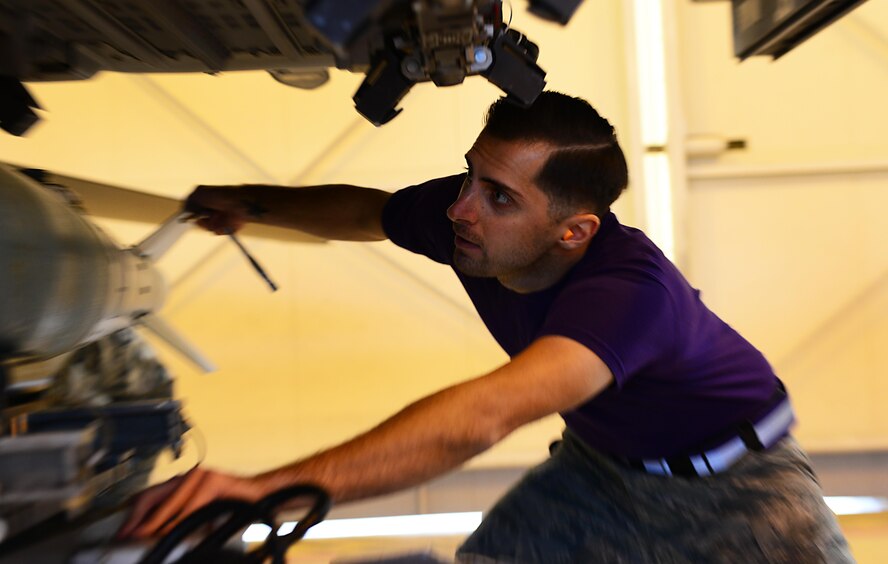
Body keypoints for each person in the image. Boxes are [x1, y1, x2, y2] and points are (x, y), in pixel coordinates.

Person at [119, 92, 853, 562]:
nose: (461, 207)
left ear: (574, 231)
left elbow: (485, 414)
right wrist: (250, 201)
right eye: (470, 175)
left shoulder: (629, 296)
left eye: (497, 195)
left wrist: (266, 489)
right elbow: (365, 212)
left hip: (746, 487)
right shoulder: (470, 222)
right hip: (601, 471)